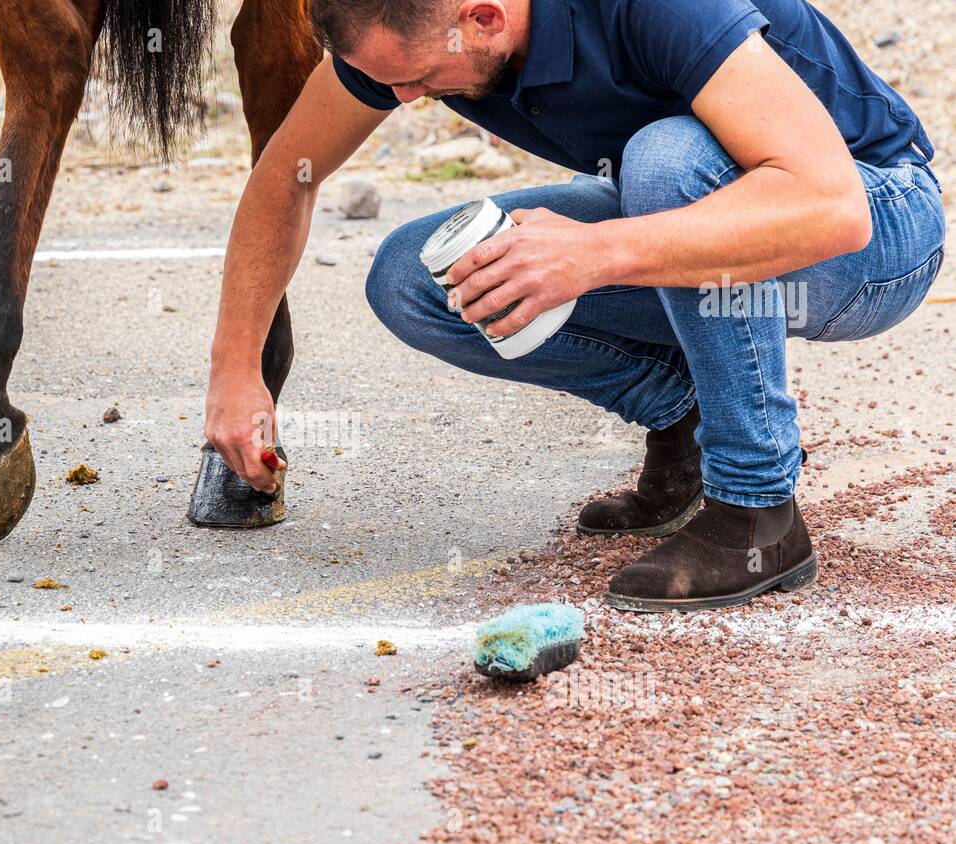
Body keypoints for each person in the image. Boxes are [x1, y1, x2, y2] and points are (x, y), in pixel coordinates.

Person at [202, 0, 945, 611]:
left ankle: (758, 509)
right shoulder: (411, 34)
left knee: (666, 160)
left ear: (485, 18)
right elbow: (285, 177)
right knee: (414, 275)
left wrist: (595, 253)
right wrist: (237, 371)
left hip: (877, 229)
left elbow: (831, 206)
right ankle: (687, 416)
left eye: (423, 79)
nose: (405, 100)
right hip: (699, 217)